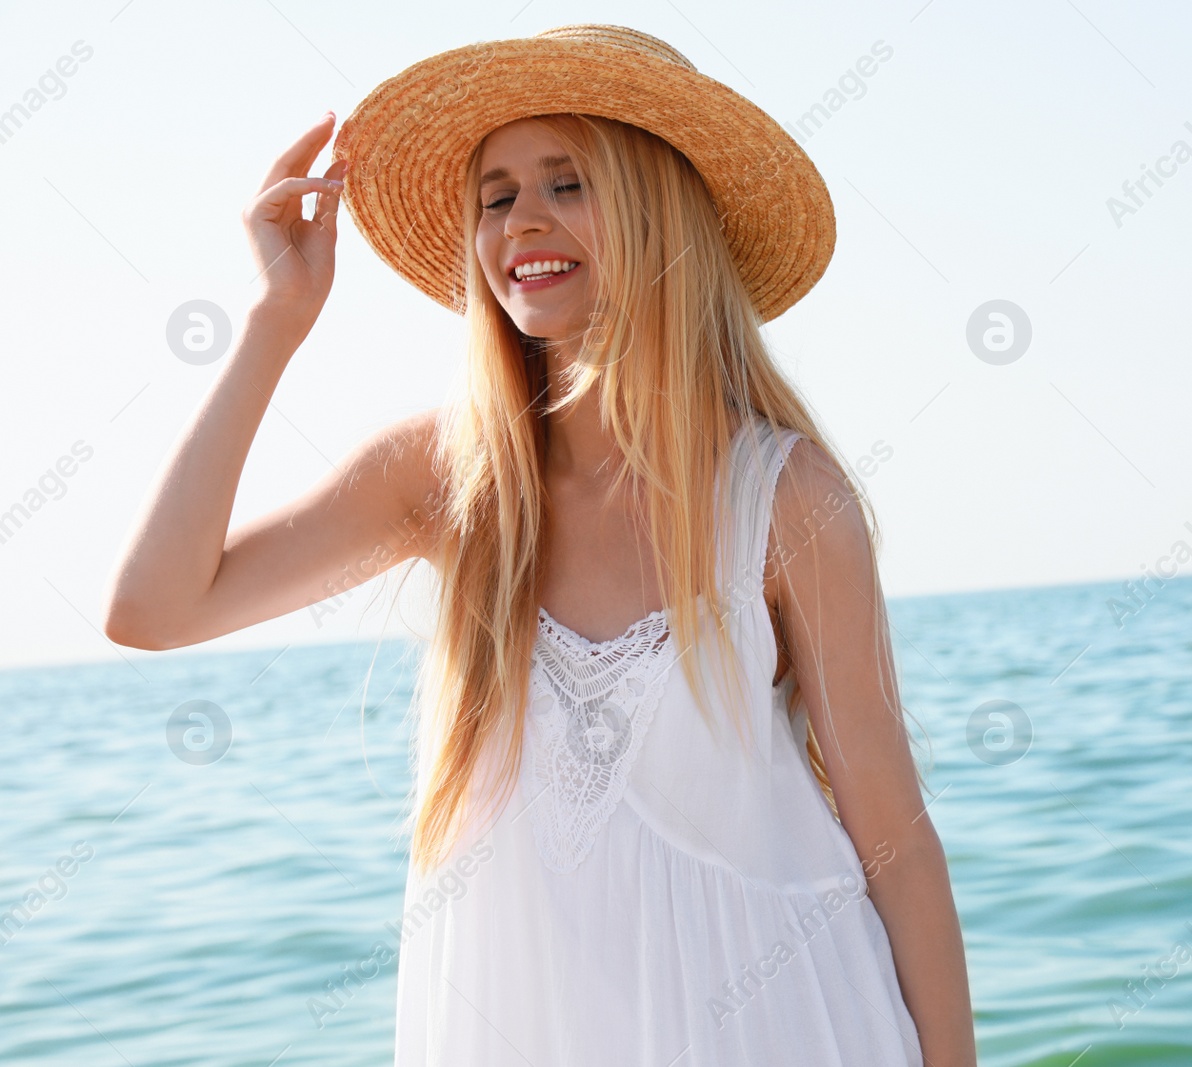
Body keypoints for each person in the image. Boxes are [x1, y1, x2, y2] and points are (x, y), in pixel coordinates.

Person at [103, 23, 975, 1067]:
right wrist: (276, 319)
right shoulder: (446, 481)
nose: (523, 220)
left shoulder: (782, 497)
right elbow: (154, 609)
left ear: (660, 212)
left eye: (568, 182)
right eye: (497, 193)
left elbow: (895, 837)